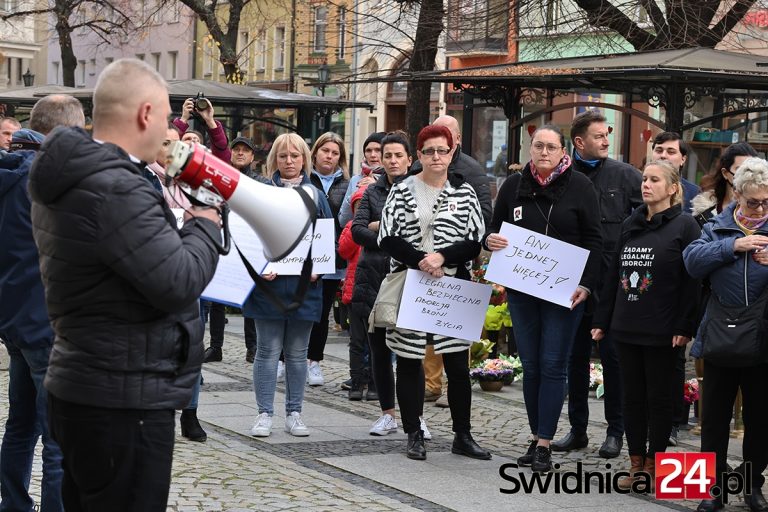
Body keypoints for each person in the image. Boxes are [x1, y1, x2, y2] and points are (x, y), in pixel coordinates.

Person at [28, 59, 222, 511]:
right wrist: (206, 223)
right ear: (145, 113)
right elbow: (178, 281)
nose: (169, 130)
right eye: (167, 115)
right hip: (123, 397)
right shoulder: (115, 186)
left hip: (91, 385)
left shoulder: (81, 174)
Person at [484, 124, 602, 473]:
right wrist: (490, 241)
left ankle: (545, 444)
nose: (545, 152)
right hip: (523, 289)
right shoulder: (513, 185)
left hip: (564, 292)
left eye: (551, 146)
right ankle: (537, 436)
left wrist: (587, 284)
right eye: (539, 146)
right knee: (531, 365)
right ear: (530, 149)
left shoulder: (580, 186)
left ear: (563, 151)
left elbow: (596, 239)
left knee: (553, 364)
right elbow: (494, 228)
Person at [379, 124, 490, 462]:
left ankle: (463, 435)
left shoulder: (465, 192)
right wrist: (421, 261)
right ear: (419, 155)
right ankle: (414, 432)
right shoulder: (400, 190)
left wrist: (443, 257)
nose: (436, 156)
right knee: (411, 361)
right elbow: (387, 236)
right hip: (411, 283)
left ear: (452, 152)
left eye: (442, 150)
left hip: (451, 286)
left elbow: (475, 240)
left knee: (457, 365)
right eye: (429, 151)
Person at [591, 160, 700, 489]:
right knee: (631, 398)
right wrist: (602, 320)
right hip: (626, 326)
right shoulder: (631, 224)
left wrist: (684, 325)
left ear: (672, 188)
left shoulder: (685, 226)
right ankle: (636, 461)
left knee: (659, 398)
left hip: (663, 330)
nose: (646, 184)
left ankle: (657, 462)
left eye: (654, 180)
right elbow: (614, 275)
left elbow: (691, 283)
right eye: (644, 179)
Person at [0, 94, 85, 512]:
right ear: (65, 133)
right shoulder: (49, 179)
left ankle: (14, 505)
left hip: (16, 318)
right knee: (59, 440)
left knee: (20, 425)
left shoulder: (9, 169)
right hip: (47, 321)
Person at [552, 110, 641, 459]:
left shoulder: (626, 176)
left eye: (608, 135)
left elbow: (643, 225)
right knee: (573, 357)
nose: (606, 141)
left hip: (612, 284)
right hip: (570, 281)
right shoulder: (562, 177)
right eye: (599, 135)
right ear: (579, 142)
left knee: (613, 359)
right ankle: (577, 429)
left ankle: (616, 431)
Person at [684, 157, 768, 512]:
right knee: (714, 418)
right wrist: (733, 247)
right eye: (753, 202)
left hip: (764, 337)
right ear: (736, 194)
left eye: (767, 201)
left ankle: (752, 485)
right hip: (722, 333)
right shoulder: (716, 225)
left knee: (762, 419)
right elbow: (691, 261)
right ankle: (712, 487)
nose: (760, 208)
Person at [245, 133, 332, 438]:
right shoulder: (261, 192)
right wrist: (260, 266)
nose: (289, 161)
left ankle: (294, 412)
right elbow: (249, 234)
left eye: (295, 156)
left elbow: (325, 237)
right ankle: (264, 413)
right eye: (283, 156)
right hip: (268, 285)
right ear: (274, 160)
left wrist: (318, 269)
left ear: (304, 158)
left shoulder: (316, 195)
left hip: (304, 286)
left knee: (297, 353)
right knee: (267, 350)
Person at [352, 131, 430, 438]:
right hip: (375, 279)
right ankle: (388, 413)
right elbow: (357, 230)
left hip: (410, 279)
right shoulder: (372, 191)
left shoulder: (421, 189)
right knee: (380, 350)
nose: (393, 160)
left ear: (410, 159)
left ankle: (417, 416)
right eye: (388, 156)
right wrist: (392, 236)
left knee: (412, 353)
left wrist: (382, 228)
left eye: (399, 155)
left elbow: (426, 230)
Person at [412, 115, 493, 408]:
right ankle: (430, 383)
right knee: (426, 328)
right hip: (422, 265)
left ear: (456, 140)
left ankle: (450, 388)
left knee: (455, 331)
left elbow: (483, 216)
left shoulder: (471, 170)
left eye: (447, 136)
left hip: (458, 264)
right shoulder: (419, 167)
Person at [203, 136, 259, 364]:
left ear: (253, 156)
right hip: (223, 241)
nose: (240, 153)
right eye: (236, 149)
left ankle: (252, 347)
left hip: (247, 244)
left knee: (249, 298)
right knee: (218, 298)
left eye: (246, 150)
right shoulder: (219, 179)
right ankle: (216, 346)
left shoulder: (258, 181)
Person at [306, 132, 350, 386]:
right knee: (296, 308)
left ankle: (314, 361)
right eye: (325, 151)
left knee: (321, 313)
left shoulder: (346, 182)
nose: (329, 157)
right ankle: (283, 359)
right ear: (315, 153)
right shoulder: (305, 178)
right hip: (303, 254)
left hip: (331, 257)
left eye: (335, 153)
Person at [338, 186, 372, 400]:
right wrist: (355, 229)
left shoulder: (378, 225)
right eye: (357, 206)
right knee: (357, 341)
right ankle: (357, 381)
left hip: (375, 290)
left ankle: (374, 380)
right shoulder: (351, 227)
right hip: (354, 291)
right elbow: (343, 250)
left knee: (374, 341)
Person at [692, 142, 758, 226]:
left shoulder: (762, 211)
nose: (746, 175)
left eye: (750, 170)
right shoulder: (704, 212)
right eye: (739, 169)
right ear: (725, 173)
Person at [338, 131, 385, 226]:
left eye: (378, 150)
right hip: (357, 236)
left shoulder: (393, 178)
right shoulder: (356, 179)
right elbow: (342, 221)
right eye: (368, 150)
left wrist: (375, 187)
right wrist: (354, 196)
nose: (372, 155)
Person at [651, 132, 701, 213]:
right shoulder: (639, 188)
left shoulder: (694, 194)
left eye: (671, 152)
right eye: (659, 150)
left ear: (683, 159)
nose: (663, 155)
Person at [173, 96, 231, 162]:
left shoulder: (207, 165)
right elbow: (169, 144)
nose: (193, 141)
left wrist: (210, 120)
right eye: (187, 139)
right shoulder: (171, 162)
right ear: (179, 144)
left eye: (196, 140)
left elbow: (222, 154)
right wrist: (183, 119)